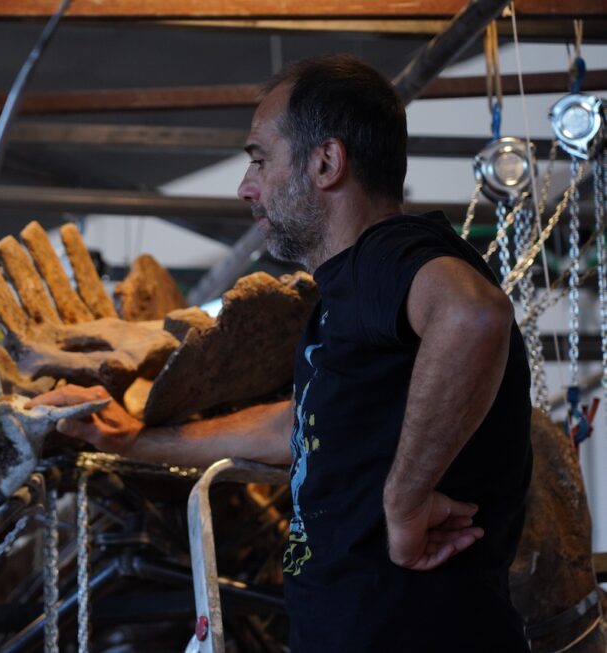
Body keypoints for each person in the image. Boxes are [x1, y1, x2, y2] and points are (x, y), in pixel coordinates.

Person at [29, 54, 532, 652]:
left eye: (260, 160)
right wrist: (133, 439)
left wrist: (404, 502)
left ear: (326, 163)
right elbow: (302, 425)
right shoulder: (344, 296)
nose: (246, 187)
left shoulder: (388, 254)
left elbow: (474, 316)